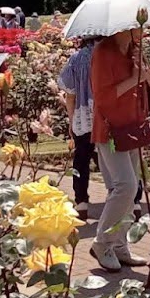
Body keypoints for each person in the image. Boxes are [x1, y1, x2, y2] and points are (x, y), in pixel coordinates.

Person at [89, 26, 150, 272]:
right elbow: (103, 97)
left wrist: (144, 68)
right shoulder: (103, 52)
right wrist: (133, 79)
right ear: (122, 27)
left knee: (132, 189)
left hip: (132, 126)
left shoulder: (134, 51)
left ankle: (119, 245)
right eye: (137, 27)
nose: (142, 30)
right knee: (124, 186)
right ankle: (101, 243)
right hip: (110, 129)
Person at [57, 37, 99, 219]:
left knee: (81, 159)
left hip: (84, 116)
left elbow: (70, 94)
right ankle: (132, 201)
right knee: (116, 157)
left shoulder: (77, 58)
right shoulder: (112, 55)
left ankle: (81, 201)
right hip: (108, 115)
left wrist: (72, 119)